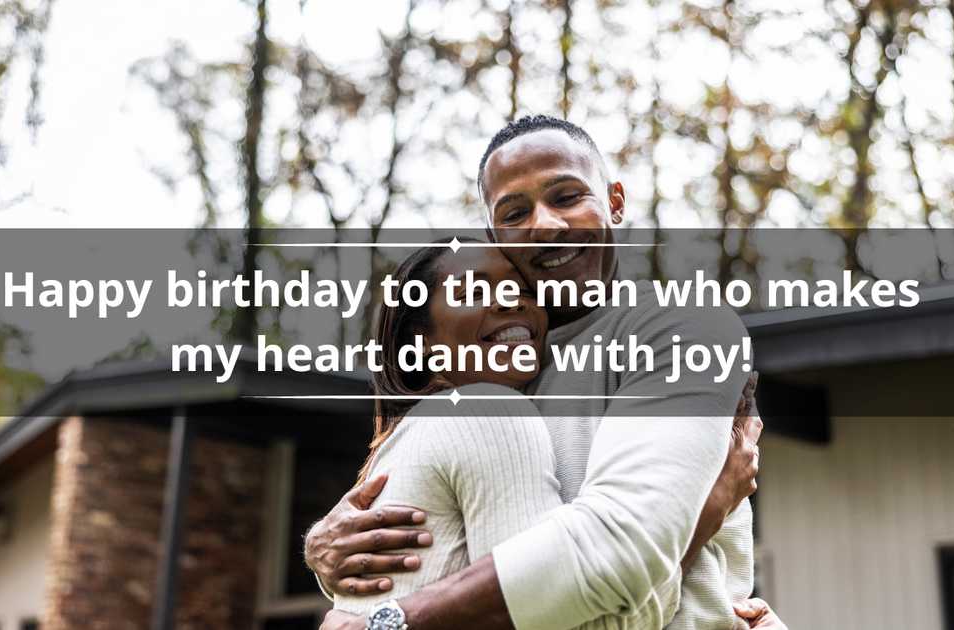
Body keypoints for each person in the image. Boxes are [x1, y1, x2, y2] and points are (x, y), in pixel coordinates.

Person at [310, 115, 779, 630]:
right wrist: (319, 552)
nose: (546, 225)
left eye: (566, 197)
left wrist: (390, 622)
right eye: (515, 212)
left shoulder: (681, 325)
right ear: (494, 233)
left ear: (615, 202)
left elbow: (625, 543)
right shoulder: (491, 372)